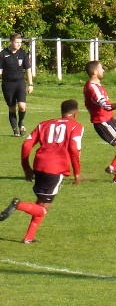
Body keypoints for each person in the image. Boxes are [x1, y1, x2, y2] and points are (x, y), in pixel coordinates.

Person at [1, 98, 83, 243]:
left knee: (41, 202)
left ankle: (29, 237)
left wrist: (26, 168)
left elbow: (26, 145)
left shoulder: (44, 124)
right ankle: (18, 204)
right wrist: (77, 173)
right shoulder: (76, 126)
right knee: (43, 209)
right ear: (76, 114)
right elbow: (74, 148)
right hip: (55, 168)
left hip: (39, 165)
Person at [83, 60, 116, 183]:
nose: (103, 70)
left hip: (109, 120)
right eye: (101, 68)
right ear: (95, 72)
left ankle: (113, 167)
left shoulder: (95, 85)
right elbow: (106, 106)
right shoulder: (93, 88)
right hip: (103, 123)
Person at [1, 34, 33, 137]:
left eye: (20, 42)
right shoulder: (3, 54)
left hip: (20, 83)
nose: (19, 44)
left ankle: (21, 123)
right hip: (7, 84)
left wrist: (30, 84)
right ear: (11, 42)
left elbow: (28, 69)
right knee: (12, 108)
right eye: (17, 42)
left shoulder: (23, 54)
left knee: (22, 106)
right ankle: (15, 131)